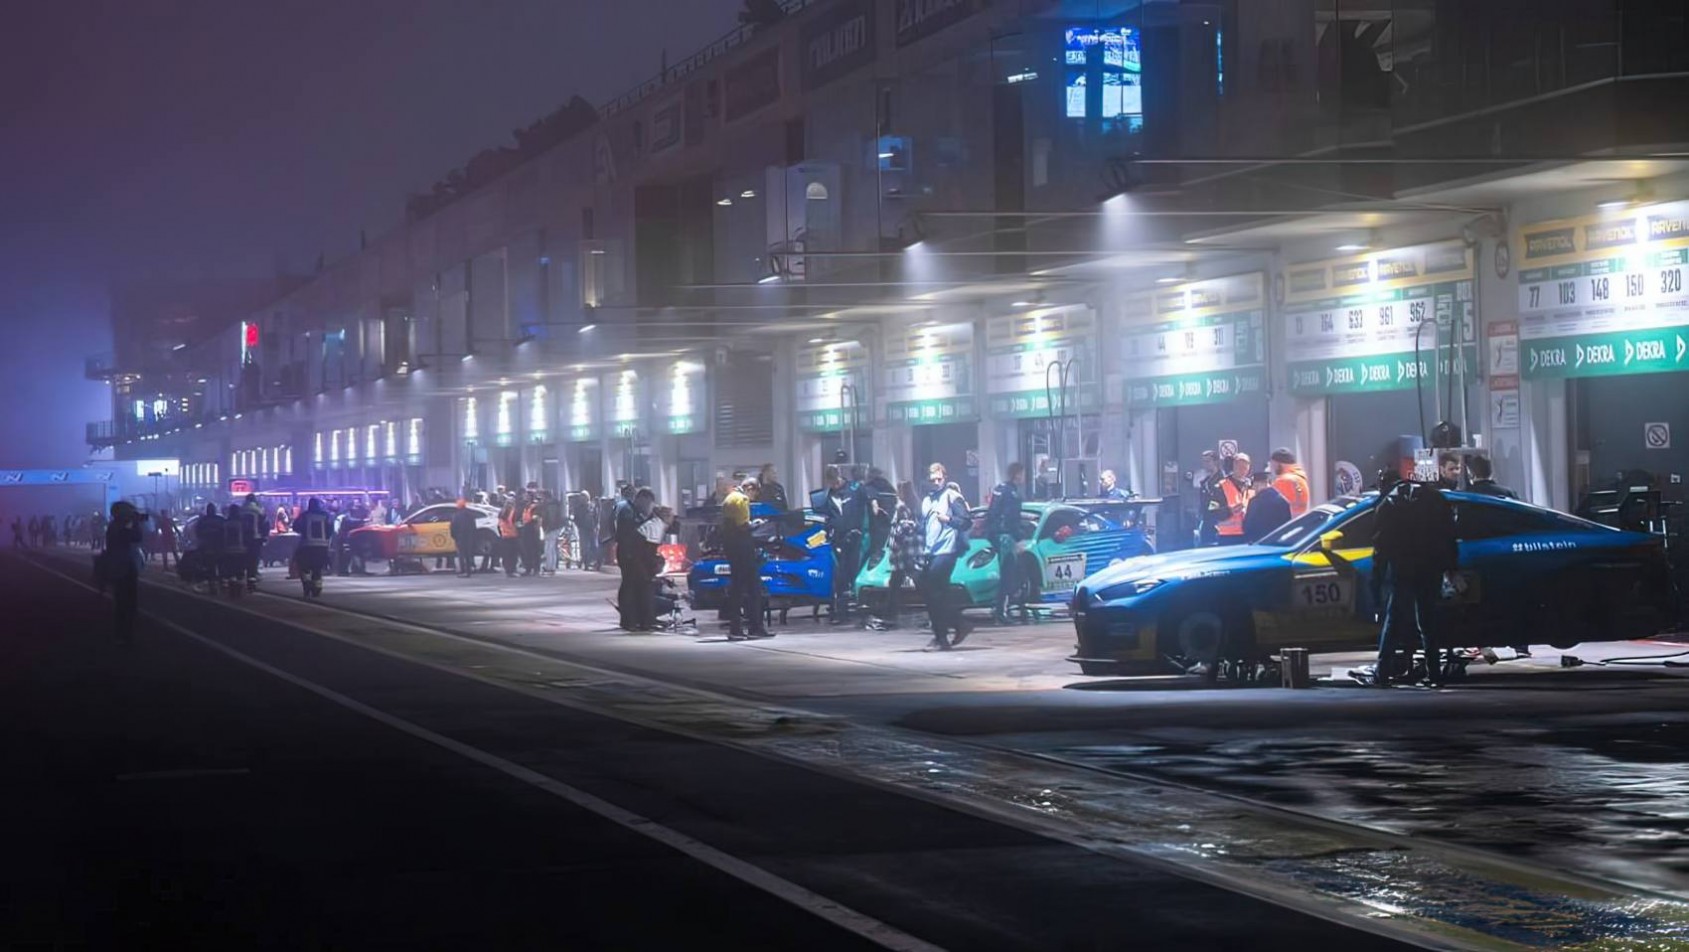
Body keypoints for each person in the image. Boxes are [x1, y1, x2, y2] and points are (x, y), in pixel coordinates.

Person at [1372, 475, 1461, 687]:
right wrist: (1450, 567)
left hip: (1401, 569)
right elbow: (1448, 536)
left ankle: (1383, 672)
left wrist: (1377, 580)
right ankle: (1434, 674)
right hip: (1429, 567)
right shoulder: (1434, 499)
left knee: (1393, 620)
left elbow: (1380, 548)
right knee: (1428, 621)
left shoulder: (1387, 504)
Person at [919, 463, 974, 651]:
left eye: (939, 479)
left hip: (947, 551)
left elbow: (966, 521)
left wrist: (949, 520)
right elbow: (924, 526)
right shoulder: (927, 500)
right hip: (930, 552)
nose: (936, 483)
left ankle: (941, 637)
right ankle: (956, 625)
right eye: (932, 479)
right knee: (933, 594)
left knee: (935, 592)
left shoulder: (952, 496)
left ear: (945, 477)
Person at [719, 478, 769, 640]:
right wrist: (757, 524)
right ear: (750, 488)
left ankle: (737, 628)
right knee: (753, 588)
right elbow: (743, 526)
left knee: (737, 589)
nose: (754, 498)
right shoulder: (741, 499)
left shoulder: (729, 498)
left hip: (732, 548)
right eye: (755, 493)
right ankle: (754, 628)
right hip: (743, 549)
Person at [984, 462, 1025, 625]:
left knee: (1002, 575)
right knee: (1008, 576)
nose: (1023, 477)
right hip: (1006, 538)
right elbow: (1012, 518)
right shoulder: (1012, 494)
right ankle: (1002, 612)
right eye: (1022, 474)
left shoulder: (998, 489)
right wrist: (1019, 537)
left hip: (994, 537)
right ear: (1017, 474)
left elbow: (991, 514)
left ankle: (998, 610)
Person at [102, 502, 147, 644]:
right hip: (123, 568)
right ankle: (124, 634)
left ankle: (122, 633)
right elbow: (136, 537)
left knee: (123, 602)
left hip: (120, 566)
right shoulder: (117, 528)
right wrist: (135, 523)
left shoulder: (114, 526)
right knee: (126, 603)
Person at [616, 488, 660, 631]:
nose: (649, 507)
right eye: (649, 503)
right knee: (631, 585)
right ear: (642, 499)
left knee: (636, 586)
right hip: (629, 554)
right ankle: (631, 620)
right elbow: (632, 533)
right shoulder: (628, 511)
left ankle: (638, 619)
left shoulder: (634, 511)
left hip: (634, 553)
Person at [294, 498, 334, 598]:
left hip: (306, 546)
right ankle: (317, 589)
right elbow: (330, 530)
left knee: (304, 567)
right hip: (322, 546)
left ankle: (307, 585)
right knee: (317, 569)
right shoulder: (325, 515)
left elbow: (296, 527)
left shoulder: (304, 515)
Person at [1216, 452, 1253, 545]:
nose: (1242, 468)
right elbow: (1212, 511)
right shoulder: (1221, 486)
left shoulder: (1252, 485)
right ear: (1233, 466)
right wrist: (1230, 511)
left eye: (1245, 466)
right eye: (1239, 465)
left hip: (1248, 534)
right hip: (1228, 536)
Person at [1241, 478, 1291, 543]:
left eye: (1255, 486)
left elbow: (1247, 526)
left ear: (1259, 485)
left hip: (1259, 541)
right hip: (1278, 541)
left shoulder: (1255, 502)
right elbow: (1287, 523)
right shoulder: (1282, 500)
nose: (1254, 489)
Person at [1194, 451, 1226, 547]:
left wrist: (1212, 511)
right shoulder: (1206, 481)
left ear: (1216, 462)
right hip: (1206, 519)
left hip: (1216, 520)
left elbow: (1219, 500)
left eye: (1208, 461)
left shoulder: (1222, 480)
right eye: (1204, 462)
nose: (1206, 465)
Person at [1269, 448, 1311, 518]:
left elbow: (1269, 506)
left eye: (1273, 464)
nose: (1272, 468)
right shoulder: (1300, 478)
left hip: (1286, 523)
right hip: (1301, 521)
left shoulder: (1283, 481)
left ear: (1280, 464)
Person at [195, 503, 227, 592]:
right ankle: (222, 585)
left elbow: (198, 533)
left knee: (210, 568)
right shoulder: (220, 520)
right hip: (219, 548)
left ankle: (213, 586)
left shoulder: (202, 521)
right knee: (221, 568)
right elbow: (225, 533)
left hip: (207, 549)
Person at [239, 493, 269, 587]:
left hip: (242, 540)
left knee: (244, 559)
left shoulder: (241, 510)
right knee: (254, 559)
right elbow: (265, 525)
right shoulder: (259, 511)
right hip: (256, 538)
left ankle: (242, 577)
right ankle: (252, 577)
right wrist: (264, 537)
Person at [449, 498, 480, 577]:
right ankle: (468, 571)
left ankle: (463, 570)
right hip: (469, 538)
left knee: (461, 555)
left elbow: (453, 527)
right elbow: (474, 527)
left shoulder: (456, 516)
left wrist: (454, 537)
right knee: (468, 554)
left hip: (460, 538)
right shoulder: (470, 514)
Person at [570, 491, 599, 570]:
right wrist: (579, 525)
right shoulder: (578, 507)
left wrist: (596, 526)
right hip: (583, 529)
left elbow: (596, 517)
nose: (582, 499)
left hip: (592, 529)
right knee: (584, 547)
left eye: (584, 497)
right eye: (581, 497)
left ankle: (596, 563)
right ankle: (586, 563)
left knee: (594, 546)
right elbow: (576, 518)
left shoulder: (592, 506)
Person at [539, 490, 565, 575]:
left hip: (551, 528)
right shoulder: (553, 504)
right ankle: (551, 567)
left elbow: (551, 518)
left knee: (549, 548)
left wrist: (548, 528)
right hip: (555, 527)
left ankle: (549, 567)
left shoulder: (550, 505)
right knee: (552, 548)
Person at [497, 497, 521, 577]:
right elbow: (516, 524)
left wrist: (501, 533)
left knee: (506, 555)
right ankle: (512, 570)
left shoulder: (501, 513)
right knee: (513, 555)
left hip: (504, 536)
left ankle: (508, 570)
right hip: (513, 535)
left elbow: (499, 525)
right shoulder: (513, 512)